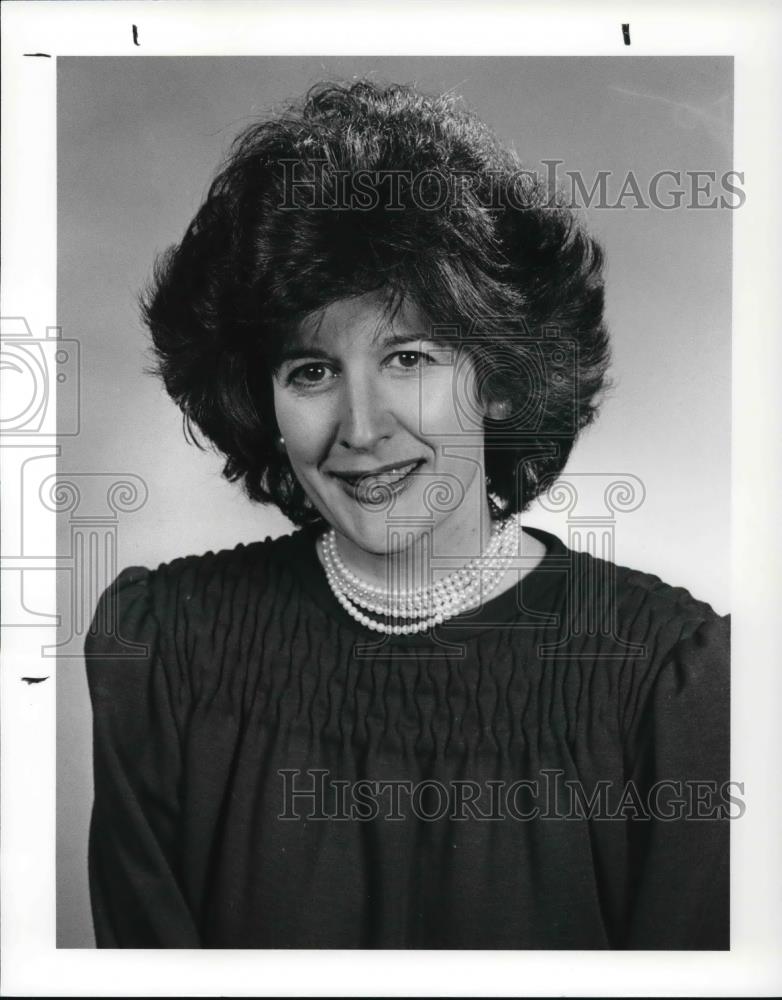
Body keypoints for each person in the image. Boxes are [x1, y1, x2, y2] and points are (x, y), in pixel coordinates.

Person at [84, 79, 730, 949]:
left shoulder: (666, 680)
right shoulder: (162, 649)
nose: (360, 427)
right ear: (260, 400)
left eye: (410, 356)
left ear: (499, 378)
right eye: (310, 371)